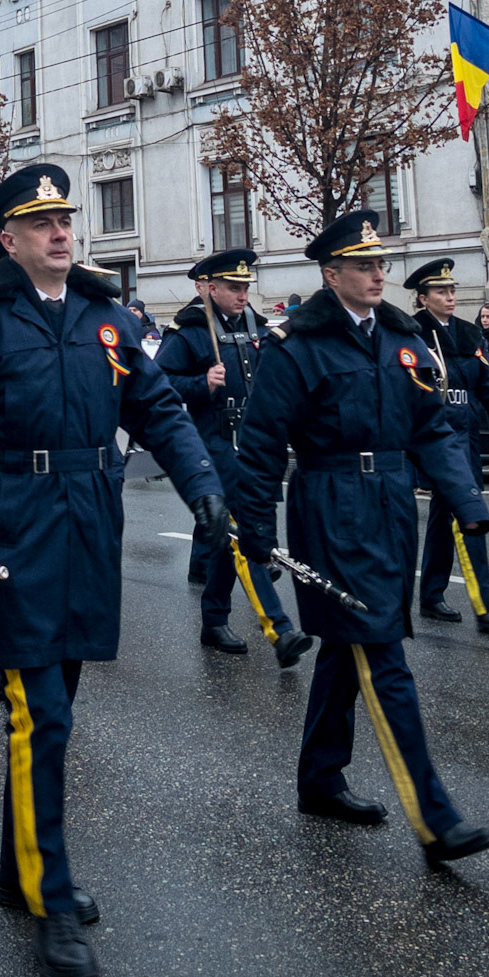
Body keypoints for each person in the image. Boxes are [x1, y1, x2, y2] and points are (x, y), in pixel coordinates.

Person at [0, 163, 227, 977]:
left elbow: (156, 409)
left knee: (58, 702)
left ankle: (20, 872)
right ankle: (51, 896)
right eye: (40, 221)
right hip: (8, 530)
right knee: (40, 713)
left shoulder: (105, 316)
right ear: (7, 239)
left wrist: (204, 490)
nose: (60, 232)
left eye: (65, 218)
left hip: (87, 521)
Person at [234, 211, 489, 868]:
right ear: (331, 275)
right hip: (331, 509)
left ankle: (321, 779)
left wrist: (465, 500)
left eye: (381, 264)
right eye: (363, 265)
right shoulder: (299, 346)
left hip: (389, 506)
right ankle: (435, 818)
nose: (378, 274)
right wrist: (256, 529)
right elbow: (263, 441)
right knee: (381, 652)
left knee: (345, 651)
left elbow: (431, 427)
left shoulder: (401, 341)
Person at [157, 250, 312, 669]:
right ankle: (279, 628)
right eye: (233, 287)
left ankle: (214, 619)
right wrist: (200, 383)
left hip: (256, 443)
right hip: (215, 445)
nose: (243, 294)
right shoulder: (189, 331)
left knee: (230, 541)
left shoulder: (256, 328)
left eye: (246, 287)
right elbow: (157, 386)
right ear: (206, 288)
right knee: (244, 533)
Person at [405, 260, 489, 634]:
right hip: (431, 440)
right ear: (422, 298)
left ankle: (431, 595)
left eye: (452, 290)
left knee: (443, 517)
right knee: (468, 513)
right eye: (440, 291)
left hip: (463, 438)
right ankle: (485, 605)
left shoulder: (469, 335)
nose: (449, 297)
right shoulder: (412, 333)